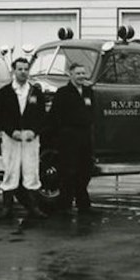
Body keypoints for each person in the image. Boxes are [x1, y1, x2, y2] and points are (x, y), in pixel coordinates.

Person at [0, 57, 48, 220]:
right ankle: (6, 208)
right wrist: (11, 132)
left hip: (30, 138)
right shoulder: (3, 93)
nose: (23, 72)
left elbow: (41, 116)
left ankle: (34, 207)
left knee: (31, 170)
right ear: (13, 71)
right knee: (11, 170)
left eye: (26, 69)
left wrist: (35, 131)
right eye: (20, 69)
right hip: (11, 138)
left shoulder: (35, 92)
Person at [48, 62, 97, 215]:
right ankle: (65, 205)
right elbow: (55, 115)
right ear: (70, 75)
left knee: (85, 170)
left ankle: (83, 203)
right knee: (68, 171)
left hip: (85, 136)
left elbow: (93, 112)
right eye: (78, 74)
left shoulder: (88, 91)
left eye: (83, 73)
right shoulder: (63, 92)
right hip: (68, 136)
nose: (81, 76)